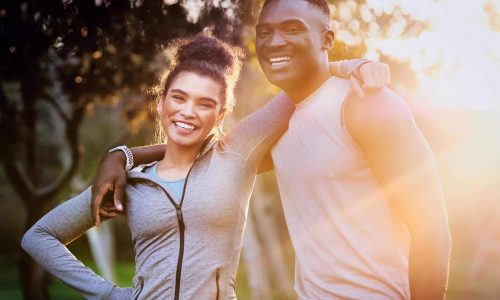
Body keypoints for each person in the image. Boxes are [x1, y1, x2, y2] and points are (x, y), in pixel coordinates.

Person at [93, 1, 452, 299]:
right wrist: (121, 155)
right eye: (265, 32)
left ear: (327, 38)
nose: (274, 42)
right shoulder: (281, 125)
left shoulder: (366, 104)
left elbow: (431, 227)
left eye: (292, 29)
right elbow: (206, 151)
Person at [21, 34, 388, 299]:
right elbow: (38, 237)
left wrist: (353, 66)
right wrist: (108, 294)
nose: (188, 112)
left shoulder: (236, 155)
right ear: (162, 103)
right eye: (178, 98)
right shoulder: (128, 183)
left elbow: (302, 87)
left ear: (220, 115)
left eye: (204, 104)